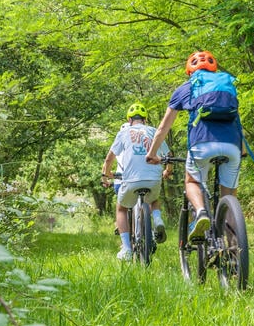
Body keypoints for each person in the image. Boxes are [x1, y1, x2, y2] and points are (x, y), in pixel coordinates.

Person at [146, 51, 244, 241]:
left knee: (192, 182)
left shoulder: (186, 87)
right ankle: (234, 253)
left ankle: (200, 213)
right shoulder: (226, 87)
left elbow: (163, 128)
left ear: (189, 70)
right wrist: (243, 150)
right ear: (213, 67)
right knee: (229, 197)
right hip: (232, 145)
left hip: (202, 143)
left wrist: (152, 153)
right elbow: (237, 122)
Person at [102, 103, 172, 261]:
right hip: (153, 179)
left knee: (121, 209)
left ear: (129, 119)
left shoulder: (123, 132)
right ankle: (157, 219)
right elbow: (168, 155)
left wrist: (105, 175)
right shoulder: (154, 131)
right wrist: (168, 170)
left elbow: (109, 159)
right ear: (145, 120)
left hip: (131, 179)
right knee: (153, 198)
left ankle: (126, 248)